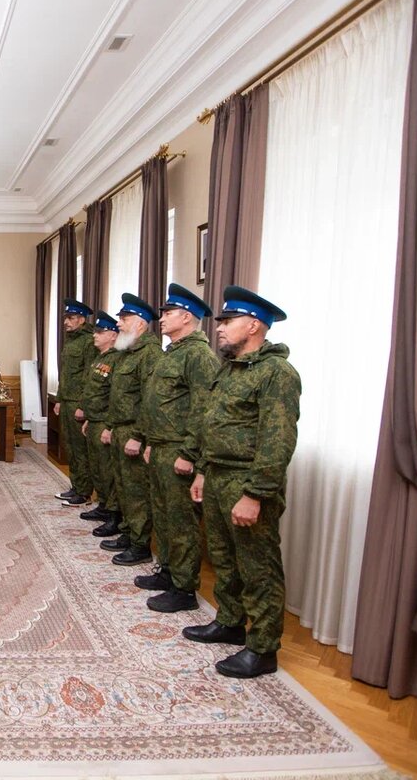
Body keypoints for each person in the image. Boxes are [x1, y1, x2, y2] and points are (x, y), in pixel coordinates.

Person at [182, 285, 301, 679]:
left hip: (246, 482)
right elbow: (213, 424)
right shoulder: (230, 369)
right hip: (216, 475)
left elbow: (277, 440)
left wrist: (254, 494)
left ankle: (263, 648)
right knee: (224, 558)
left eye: (227, 322)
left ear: (253, 325)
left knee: (257, 566)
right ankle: (230, 622)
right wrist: (201, 470)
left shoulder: (277, 374)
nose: (219, 329)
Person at [137, 283, 219, 612]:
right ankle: (169, 571)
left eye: (168, 313)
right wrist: (149, 441)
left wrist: (189, 454)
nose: (162, 317)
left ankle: (184, 588)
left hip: (179, 451)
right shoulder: (174, 353)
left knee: (182, 521)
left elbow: (205, 409)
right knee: (164, 515)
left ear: (186, 317)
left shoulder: (199, 356)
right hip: (160, 447)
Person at [98, 293, 161, 566]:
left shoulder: (150, 354)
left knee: (136, 492)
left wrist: (139, 436)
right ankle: (128, 533)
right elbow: (119, 395)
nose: (119, 324)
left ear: (141, 323)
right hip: (121, 429)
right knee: (123, 487)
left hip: (135, 432)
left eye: (124, 319)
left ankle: (139, 544)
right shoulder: (127, 352)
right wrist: (111, 426)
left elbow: (150, 399)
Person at [77, 311, 122, 534]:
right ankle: (103, 505)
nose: (95, 335)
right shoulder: (99, 359)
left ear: (113, 335)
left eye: (100, 332)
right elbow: (93, 391)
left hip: (105, 422)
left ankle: (113, 514)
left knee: (108, 471)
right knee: (97, 468)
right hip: (94, 421)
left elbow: (115, 396)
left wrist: (109, 425)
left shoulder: (116, 359)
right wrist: (88, 418)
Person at [53, 299, 97, 506]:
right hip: (67, 401)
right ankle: (76, 487)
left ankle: (85, 493)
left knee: (81, 450)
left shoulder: (89, 341)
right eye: (66, 318)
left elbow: (89, 375)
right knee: (70, 447)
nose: (66, 322)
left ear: (81, 319)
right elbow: (66, 375)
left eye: (70, 318)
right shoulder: (71, 340)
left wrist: (83, 405)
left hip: (79, 403)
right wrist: (60, 399)